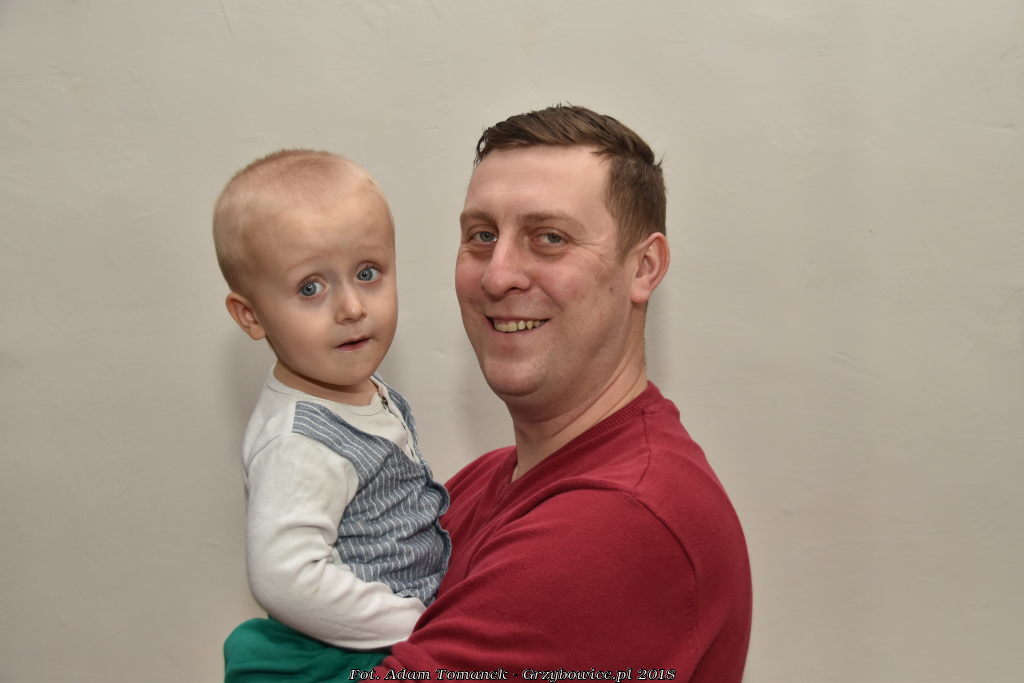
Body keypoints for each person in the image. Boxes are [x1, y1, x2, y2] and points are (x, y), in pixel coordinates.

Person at [374, 105, 752, 681]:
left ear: (644, 268)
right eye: (482, 236)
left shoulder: (617, 521)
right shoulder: (486, 481)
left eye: (549, 238)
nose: (497, 275)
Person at [211, 150, 450, 681]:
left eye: (367, 273)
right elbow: (286, 578)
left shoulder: (356, 390)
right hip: (352, 655)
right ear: (251, 315)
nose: (352, 308)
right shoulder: (299, 444)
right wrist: (416, 623)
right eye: (310, 288)